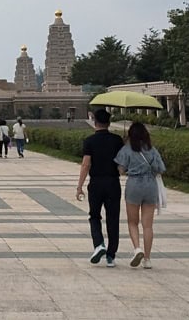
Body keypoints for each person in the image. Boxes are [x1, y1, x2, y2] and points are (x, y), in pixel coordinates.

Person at [75, 109, 125, 267]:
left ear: (94, 121)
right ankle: (111, 256)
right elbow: (121, 165)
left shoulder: (89, 141)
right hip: (112, 183)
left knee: (94, 216)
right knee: (113, 219)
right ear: (109, 123)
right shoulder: (117, 140)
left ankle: (99, 244)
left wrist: (79, 186)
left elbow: (85, 164)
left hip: (96, 183)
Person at [114, 121, 167, 269]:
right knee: (148, 225)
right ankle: (148, 259)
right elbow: (160, 169)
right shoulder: (152, 150)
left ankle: (137, 248)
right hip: (150, 186)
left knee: (132, 222)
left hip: (134, 185)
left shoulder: (127, 149)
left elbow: (121, 170)